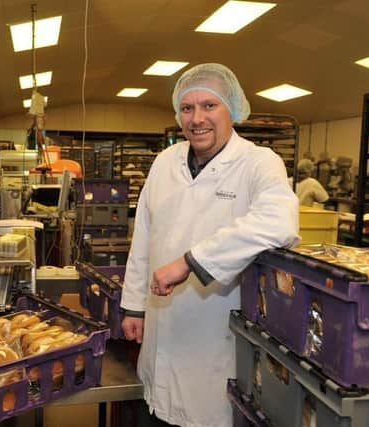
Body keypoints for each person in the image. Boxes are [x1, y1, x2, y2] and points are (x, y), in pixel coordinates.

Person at [120, 63, 300, 426]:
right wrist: (134, 307)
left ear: (232, 109)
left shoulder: (257, 163)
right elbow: (143, 237)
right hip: (161, 328)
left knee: (206, 413)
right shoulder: (164, 163)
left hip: (214, 336)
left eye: (209, 106)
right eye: (187, 108)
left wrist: (190, 262)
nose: (197, 118)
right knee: (156, 410)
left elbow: (279, 222)